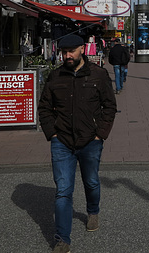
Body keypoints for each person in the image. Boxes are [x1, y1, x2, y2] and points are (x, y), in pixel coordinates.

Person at [38, 34, 117, 253]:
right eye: (64, 52)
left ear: (82, 49)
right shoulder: (55, 77)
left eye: (71, 51)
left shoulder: (98, 75)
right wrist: (52, 133)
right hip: (61, 141)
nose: (67, 56)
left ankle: (93, 211)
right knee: (63, 190)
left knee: (91, 181)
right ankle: (62, 239)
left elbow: (109, 106)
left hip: (90, 140)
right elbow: (44, 107)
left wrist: (100, 134)